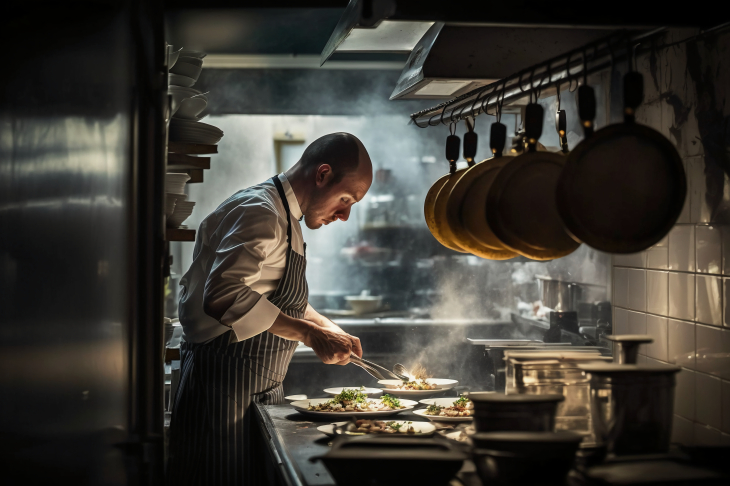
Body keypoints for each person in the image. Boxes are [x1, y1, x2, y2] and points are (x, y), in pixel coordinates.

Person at [167, 132, 373, 485]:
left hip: (249, 394)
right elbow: (223, 296)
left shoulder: (284, 216)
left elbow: (274, 298)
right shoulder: (260, 211)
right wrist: (310, 334)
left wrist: (327, 327)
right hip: (220, 391)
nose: (344, 215)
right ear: (322, 175)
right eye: (345, 199)